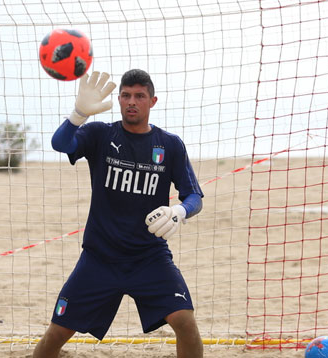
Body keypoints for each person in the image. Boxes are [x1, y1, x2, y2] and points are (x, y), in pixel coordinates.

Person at [33, 69, 204, 358]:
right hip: (100, 257)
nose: (131, 101)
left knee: (185, 321)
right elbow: (60, 144)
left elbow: (194, 196)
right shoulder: (100, 134)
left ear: (153, 101)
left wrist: (179, 210)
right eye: (125, 95)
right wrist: (78, 115)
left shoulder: (170, 145)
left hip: (149, 257)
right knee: (57, 333)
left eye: (139, 96)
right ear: (119, 99)